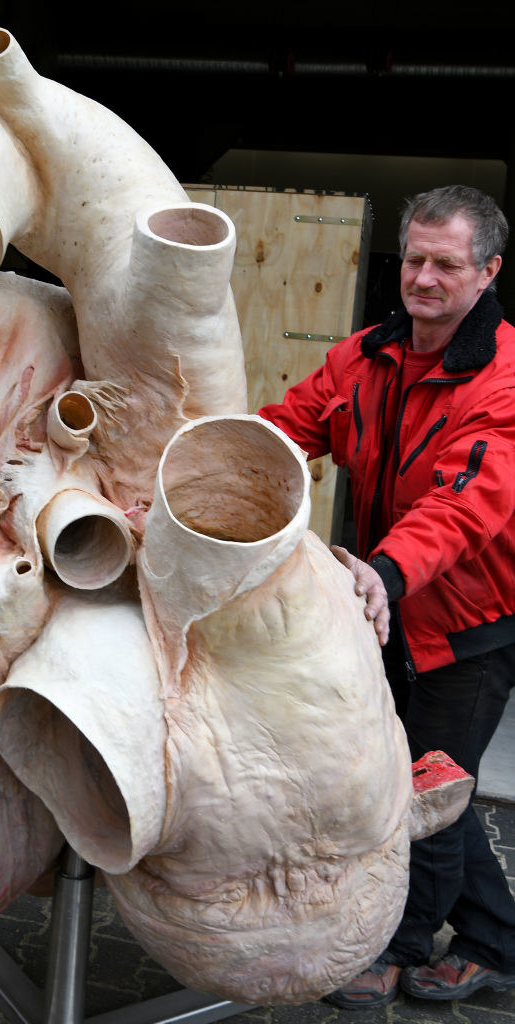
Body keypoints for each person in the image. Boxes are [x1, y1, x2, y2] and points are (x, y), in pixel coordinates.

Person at [259, 185, 515, 1007]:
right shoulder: (364, 354)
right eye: (413, 259)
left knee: (422, 788)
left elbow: (461, 504)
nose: (424, 278)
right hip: (384, 601)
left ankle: (395, 950)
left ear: (486, 271)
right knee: (431, 780)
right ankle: (496, 939)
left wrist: (385, 571)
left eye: (446, 263)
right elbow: (285, 429)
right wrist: (193, 478)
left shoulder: (506, 378)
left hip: (465, 622)